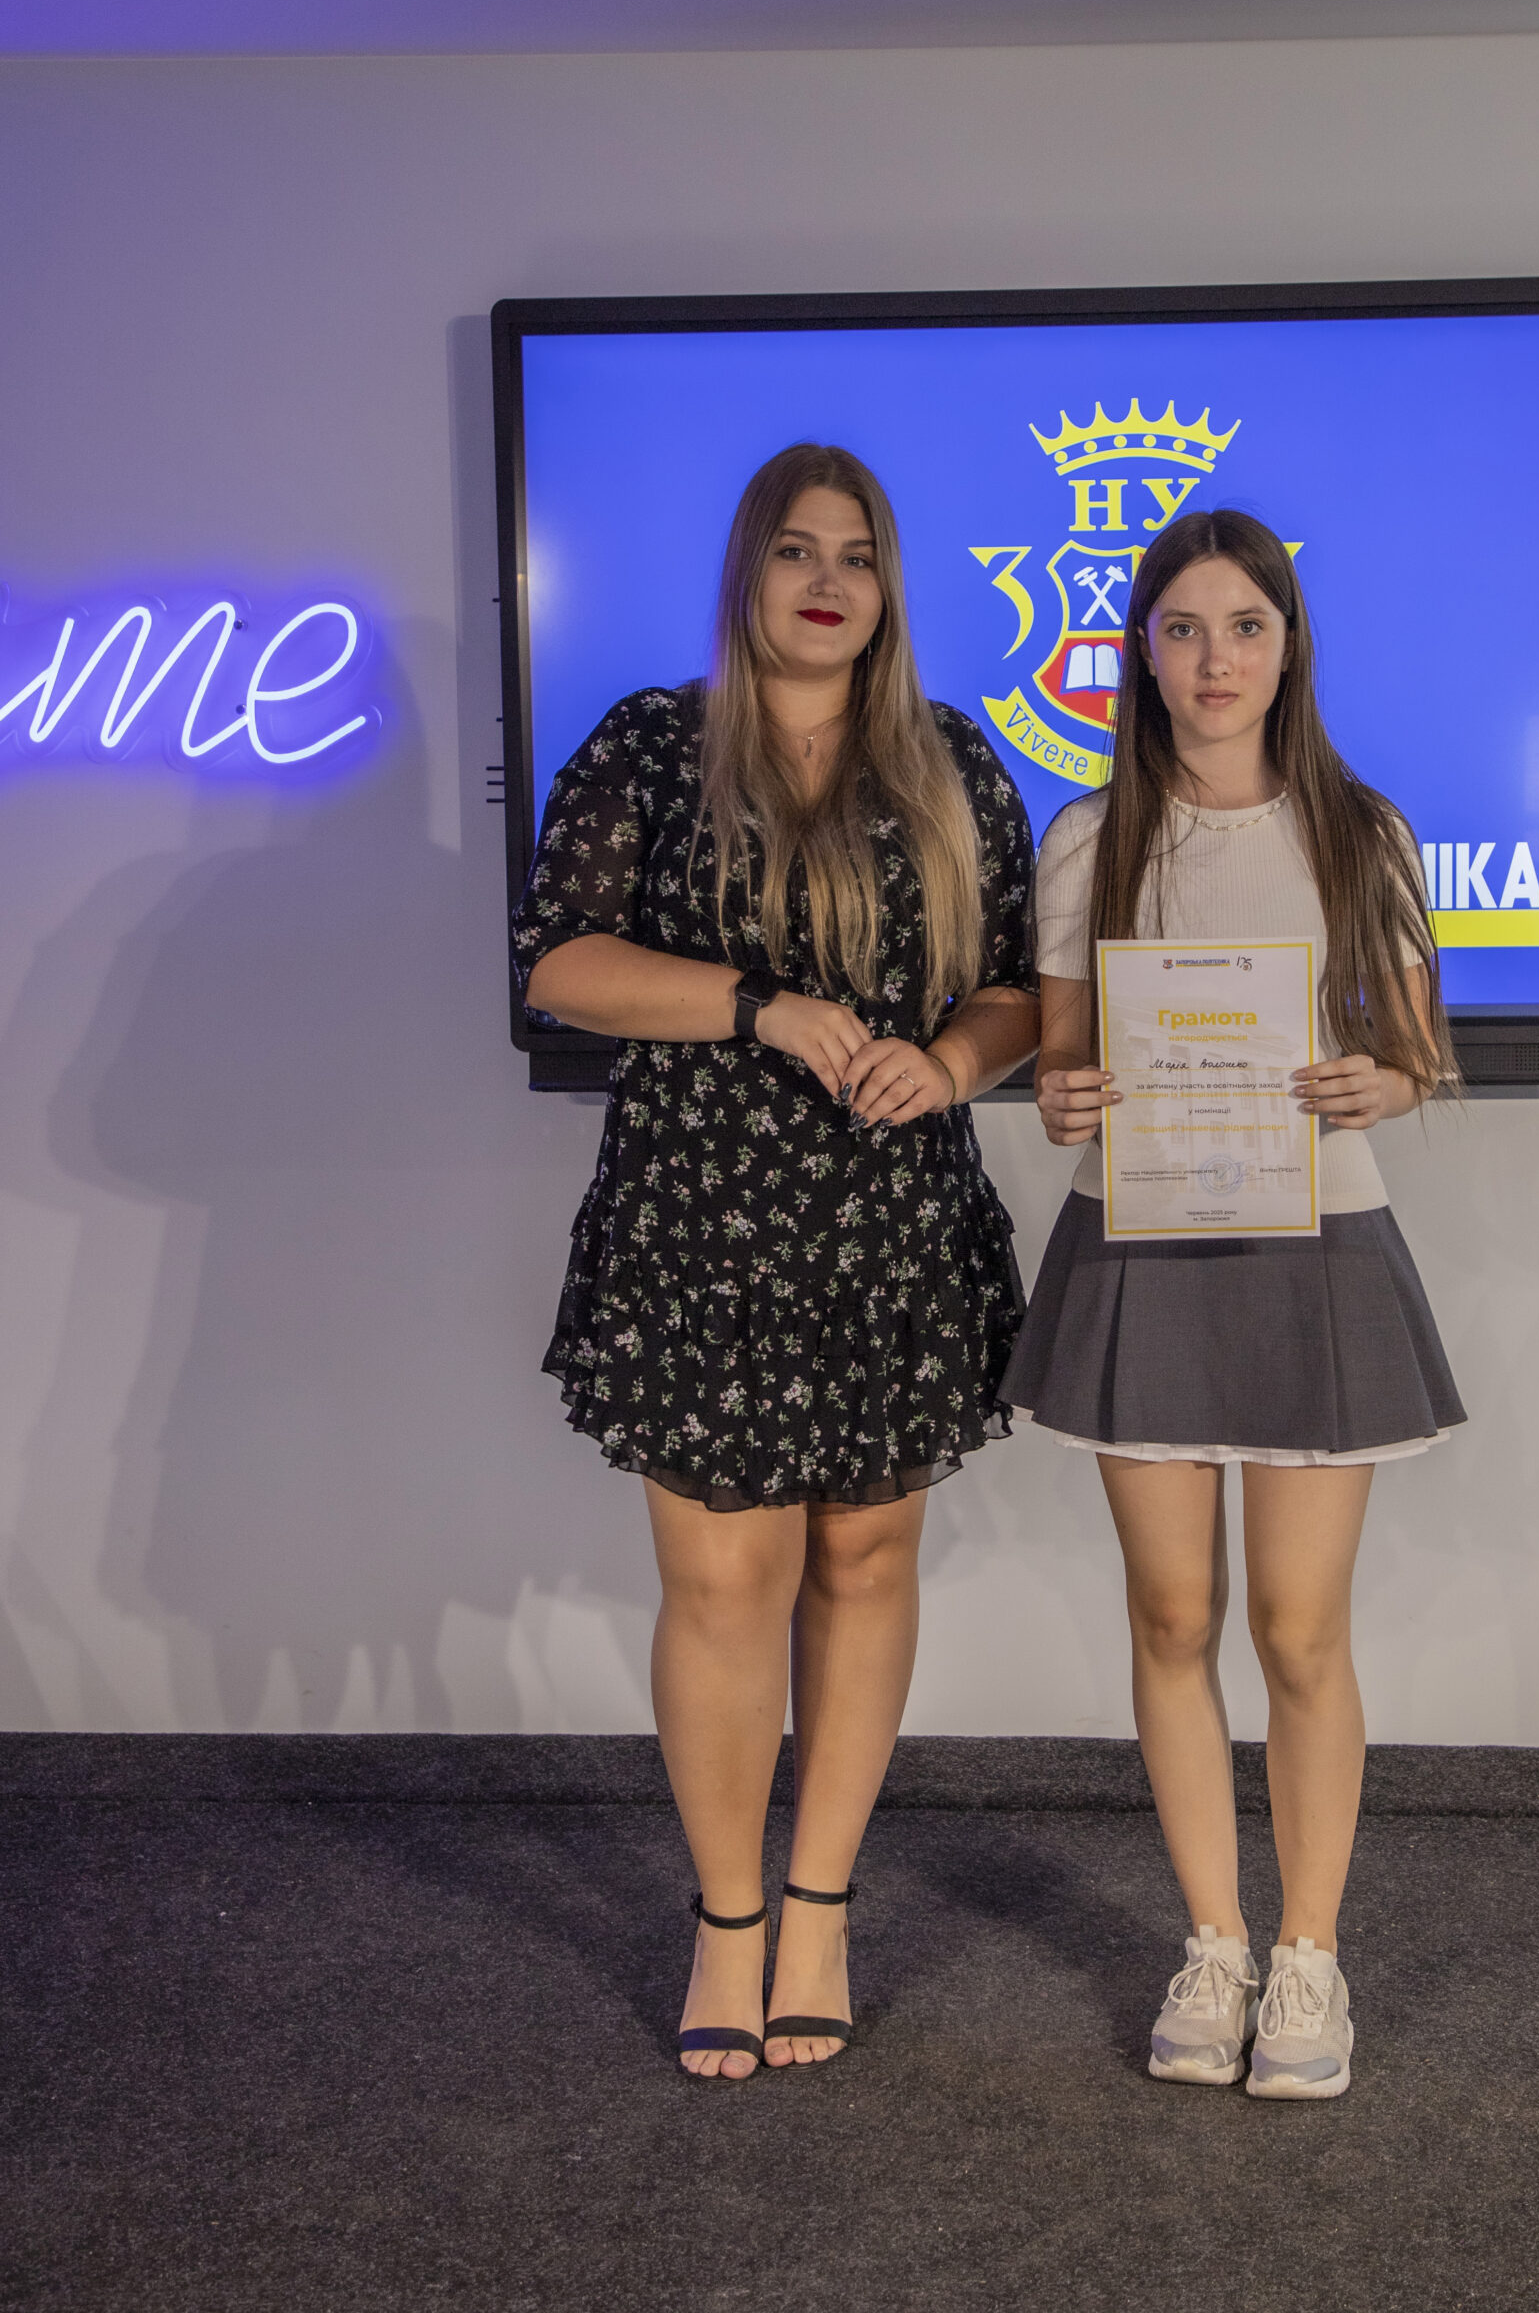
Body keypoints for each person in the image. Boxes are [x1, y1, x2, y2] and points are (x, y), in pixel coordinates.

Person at [515, 443, 1038, 2081]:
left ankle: (820, 1908)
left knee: (864, 1566)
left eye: (858, 556)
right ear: (748, 569)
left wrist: (949, 1063)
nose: (828, 581)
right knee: (724, 1583)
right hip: (701, 1224)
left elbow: (1021, 988)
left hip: (891, 1228)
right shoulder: (651, 743)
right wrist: (758, 1007)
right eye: (798, 550)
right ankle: (727, 1920)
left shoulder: (955, 759)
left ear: (889, 589)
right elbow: (562, 965)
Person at [1003, 507, 1463, 2101]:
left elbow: (1420, 1052)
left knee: (1297, 1628)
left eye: (1245, 628)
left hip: (1315, 1246)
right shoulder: (1089, 836)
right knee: (1172, 1616)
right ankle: (1214, 1945)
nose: (1215, 660)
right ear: (1140, 649)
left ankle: (1310, 1955)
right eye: (1184, 628)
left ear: (1288, 647)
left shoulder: (1360, 829)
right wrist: (1061, 1100)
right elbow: (1063, 1064)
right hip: (1142, 1247)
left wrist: (1380, 1082)